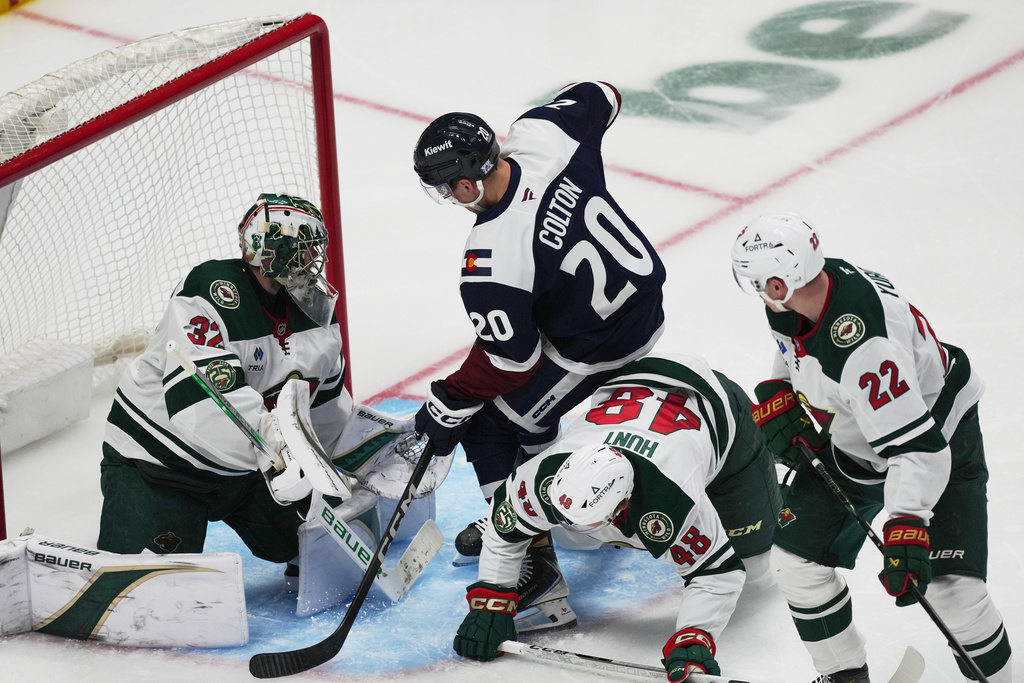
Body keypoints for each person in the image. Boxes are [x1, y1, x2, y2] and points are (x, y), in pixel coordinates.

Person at [411, 81, 667, 630]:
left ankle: (532, 564)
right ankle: (554, 506)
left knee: (488, 428)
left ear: (465, 181)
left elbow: (510, 362)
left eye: (446, 189)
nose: (449, 200)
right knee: (527, 416)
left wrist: (449, 401)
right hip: (637, 300)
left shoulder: (491, 256)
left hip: (600, 342)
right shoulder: (544, 135)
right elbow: (604, 93)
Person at [730, 211, 1012, 683]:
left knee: (953, 594)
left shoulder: (865, 347)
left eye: (762, 284)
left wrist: (906, 524)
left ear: (781, 281)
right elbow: (796, 349)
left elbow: (919, 448)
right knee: (797, 563)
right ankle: (843, 676)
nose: (760, 294)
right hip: (860, 435)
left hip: (938, 431)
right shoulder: (808, 291)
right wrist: (781, 389)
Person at [97, 193, 422, 573]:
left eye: (313, 251)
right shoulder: (211, 290)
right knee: (149, 584)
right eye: (302, 250)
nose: (311, 262)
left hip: (251, 467)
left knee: (318, 540)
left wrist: (358, 459)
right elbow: (204, 408)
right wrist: (283, 452)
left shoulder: (314, 310)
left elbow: (325, 411)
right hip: (162, 463)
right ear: (272, 251)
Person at [451, 352, 782, 681]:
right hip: (636, 385)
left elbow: (717, 573)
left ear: (625, 504)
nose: (573, 525)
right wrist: (492, 598)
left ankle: (774, 478)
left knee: (752, 569)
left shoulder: (672, 495)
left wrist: (695, 636)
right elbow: (503, 526)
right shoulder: (544, 478)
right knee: (577, 538)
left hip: (718, 409)